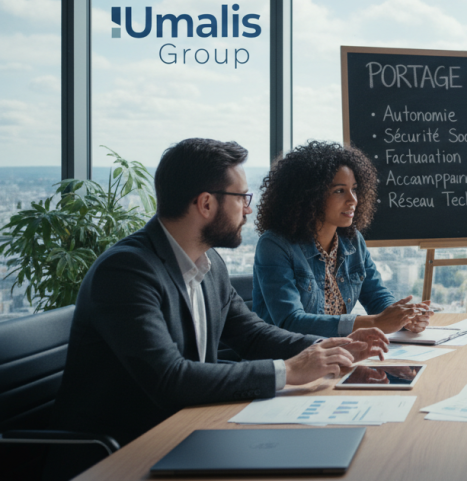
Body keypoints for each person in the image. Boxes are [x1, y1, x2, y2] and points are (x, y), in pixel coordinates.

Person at [47, 139, 389, 480]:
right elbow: (170, 378)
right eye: (241, 198)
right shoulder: (127, 271)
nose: (249, 209)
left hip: (190, 430)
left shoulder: (209, 263)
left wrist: (327, 349)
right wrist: (287, 371)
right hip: (124, 451)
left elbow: (252, 335)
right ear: (206, 203)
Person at [253, 141, 431, 337]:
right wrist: (375, 322)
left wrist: (404, 317)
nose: (353, 199)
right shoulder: (275, 245)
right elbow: (291, 322)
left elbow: (376, 296)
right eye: (339, 191)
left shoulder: (353, 240)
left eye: (354, 189)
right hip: (292, 360)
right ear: (308, 196)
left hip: (337, 355)